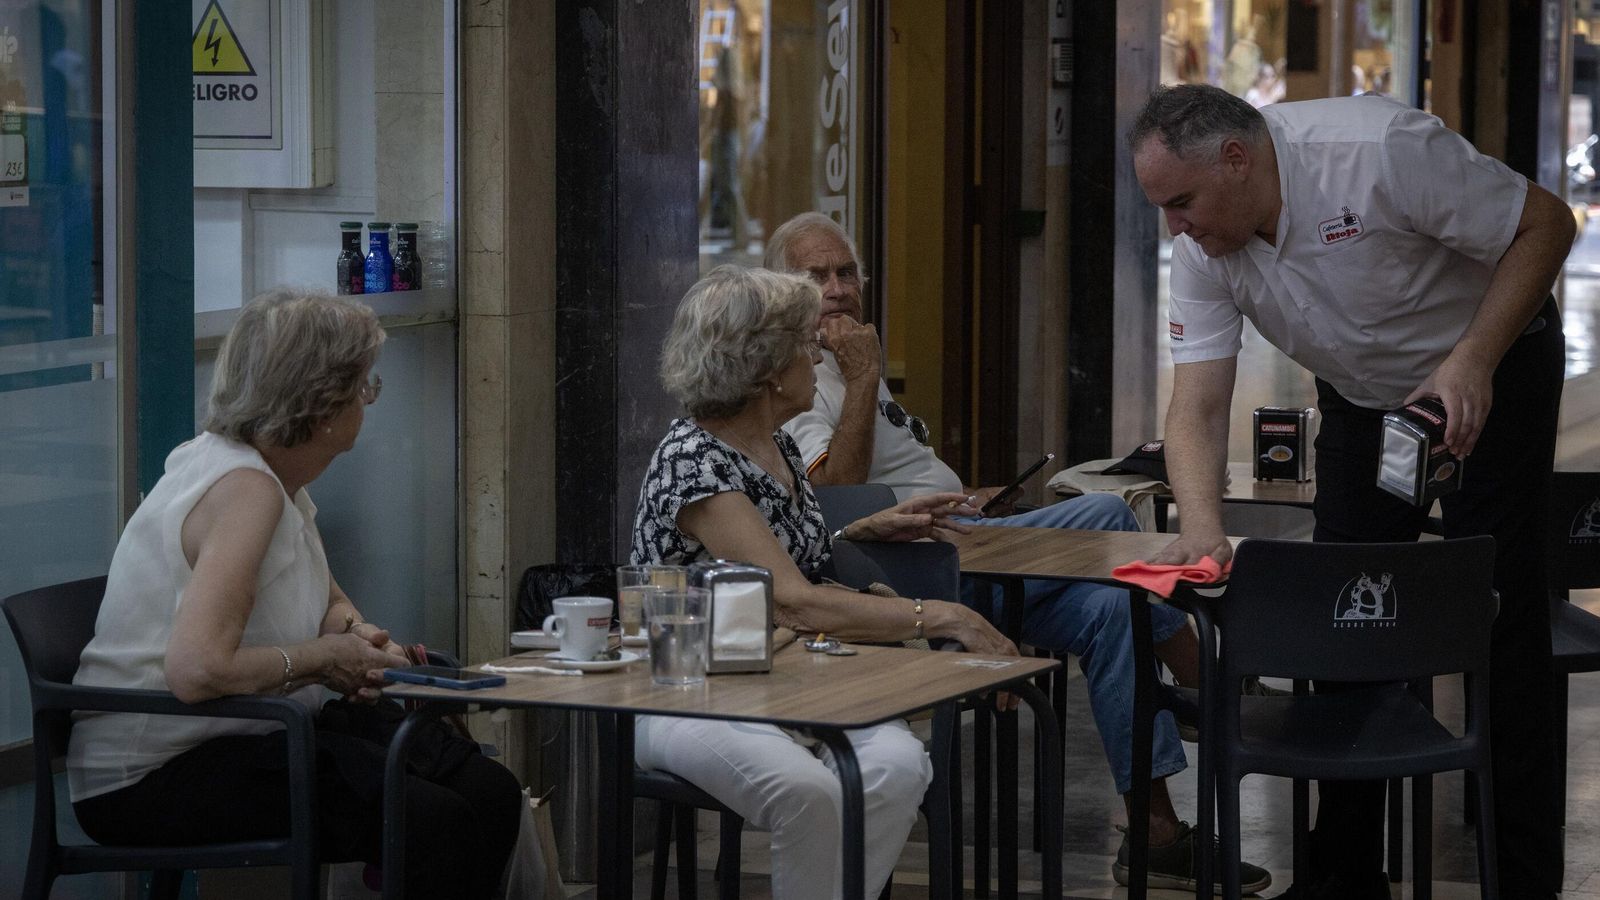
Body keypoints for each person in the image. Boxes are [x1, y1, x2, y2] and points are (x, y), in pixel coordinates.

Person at [1131, 84, 1573, 899]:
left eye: (1182, 203)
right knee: (1342, 628)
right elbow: (1194, 406)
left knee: (1498, 625)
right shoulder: (1204, 249)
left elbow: (1547, 224)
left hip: (1491, 367)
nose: (1175, 229)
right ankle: (1342, 879)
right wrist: (1201, 528)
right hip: (1365, 400)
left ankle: (1524, 880)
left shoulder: (1377, 152)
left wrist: (1474, 354)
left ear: (1237, 159)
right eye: (1162, 209)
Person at [765, 211, 1273, 894]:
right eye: (815, 275)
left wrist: (970, 497)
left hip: (965, 539)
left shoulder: (853, 354)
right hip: (908, 579)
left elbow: (902, 472)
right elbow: (837, 495)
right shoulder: (802, 376)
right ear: (780, 290)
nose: (837, 287)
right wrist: (860, 380)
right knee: (1105, 512)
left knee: (1110, 609)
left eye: (845, 271)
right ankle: (1224, 690)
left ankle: (1155, 836)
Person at [67, 289, 521, 899]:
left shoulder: (272, 477)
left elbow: (329, 602)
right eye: (364, 387)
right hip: (156, 773)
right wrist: (327, 660)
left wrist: (355, 635)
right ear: (322, 405)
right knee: (432, 820)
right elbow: (196, 670)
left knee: (485, 791)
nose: (369, 400)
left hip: (249, 734)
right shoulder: (244, 489)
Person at [633, 264, 1018, 900]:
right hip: (691, 689)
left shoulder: (774, 443)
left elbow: (781, 561)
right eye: (805, 346)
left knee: (896, 768)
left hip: (795, 679)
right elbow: (789, 598)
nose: (818, 358)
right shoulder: (694, 460)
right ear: (766, 370)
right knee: (806, 791)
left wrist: (863, 529)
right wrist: (953, 617)